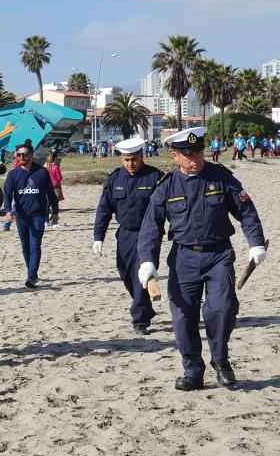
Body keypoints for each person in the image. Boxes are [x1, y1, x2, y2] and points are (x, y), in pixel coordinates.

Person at [137, 127, 266, 391]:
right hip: (183, 257)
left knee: (222, 309)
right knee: (183, 317)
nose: (194, 159)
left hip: (218, 255)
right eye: (188, 154)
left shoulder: (221, 177)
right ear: (175, 156)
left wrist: (255, 243)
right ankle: (193, 371)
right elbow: (151, 226)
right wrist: (148, 261)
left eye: (197, 152)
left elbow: (246, 211)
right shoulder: (166, 186)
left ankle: (221, 361)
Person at [93, 138, 163, 335]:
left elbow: (169, 207)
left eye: (134, 159)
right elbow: (104, 209)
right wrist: (98, 236)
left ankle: (140, 320)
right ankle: (145, 307)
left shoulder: (155, 177)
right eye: (126, 160)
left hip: (148, 233)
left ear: (141, 157)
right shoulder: (114, 179)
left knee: (143, 273)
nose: (130, 163)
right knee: (125, 273)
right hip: (124, 233)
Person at [3, 143, 59, 288]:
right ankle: (31, 272)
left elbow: (50, 193)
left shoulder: (42, 172)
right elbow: (7, 194)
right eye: (19, 155)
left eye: (25, 154)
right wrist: (8, 211)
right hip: (21, 216)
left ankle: (32, 276)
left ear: (31, 155)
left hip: (38, 215)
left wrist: (55, 211)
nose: (21, 157)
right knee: (25, 246)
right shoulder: (13, 174)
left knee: (35, 245)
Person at [45, 150, 64, 223]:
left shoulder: (46, 166)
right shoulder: (56, 167)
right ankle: (54, 221)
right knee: (55, 205)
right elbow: (59, 178)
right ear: (55, 158)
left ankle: (46, 221)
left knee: (47, 204)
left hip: (47, 186)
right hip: (56, 187)